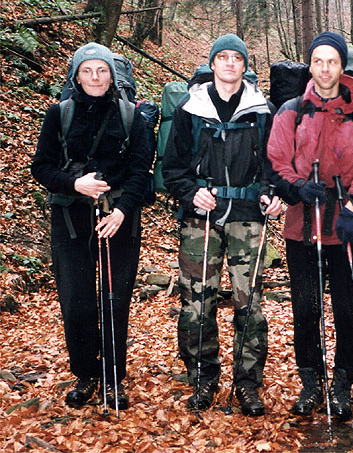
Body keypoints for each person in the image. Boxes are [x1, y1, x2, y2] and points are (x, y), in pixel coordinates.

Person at [162, 34, 281, 415]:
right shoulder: (189, 108)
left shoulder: (263, 110)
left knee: (251, 303)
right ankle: (202, 379)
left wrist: (270, 191)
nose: (229, 63)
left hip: (248, 217)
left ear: (246, 66)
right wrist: (189, 193)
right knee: (197, 303)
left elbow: (275, 163)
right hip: (201, 218)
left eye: (237, 58)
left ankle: (248, 385)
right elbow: (171, 166)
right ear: (212, 64)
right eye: (222, 57)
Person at [266, 31, 353, 420]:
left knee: (347, 308)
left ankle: (344, 382)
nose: (325, 68)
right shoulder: (291, 110)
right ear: (310, 65)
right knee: (305, 306)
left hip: (348, 224)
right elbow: (277, 161)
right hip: (303, 224)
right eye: (318, 61)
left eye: (332, 61)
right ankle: (311, 380)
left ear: (342, 65)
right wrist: (297, 186)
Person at [31, 42, 151, 410]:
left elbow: (140, 171)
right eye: (88, 71)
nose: (95, 78)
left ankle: (114, 378)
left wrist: (123, 211)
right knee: (77, 301)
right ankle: (86, 374)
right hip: (71, 219)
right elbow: (41, 168)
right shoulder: (59, 115)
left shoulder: (133, 117)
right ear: (76, 76)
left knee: (115, 300)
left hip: (119, 220)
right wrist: (74, 184)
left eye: (102, 71)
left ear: (112, 75)